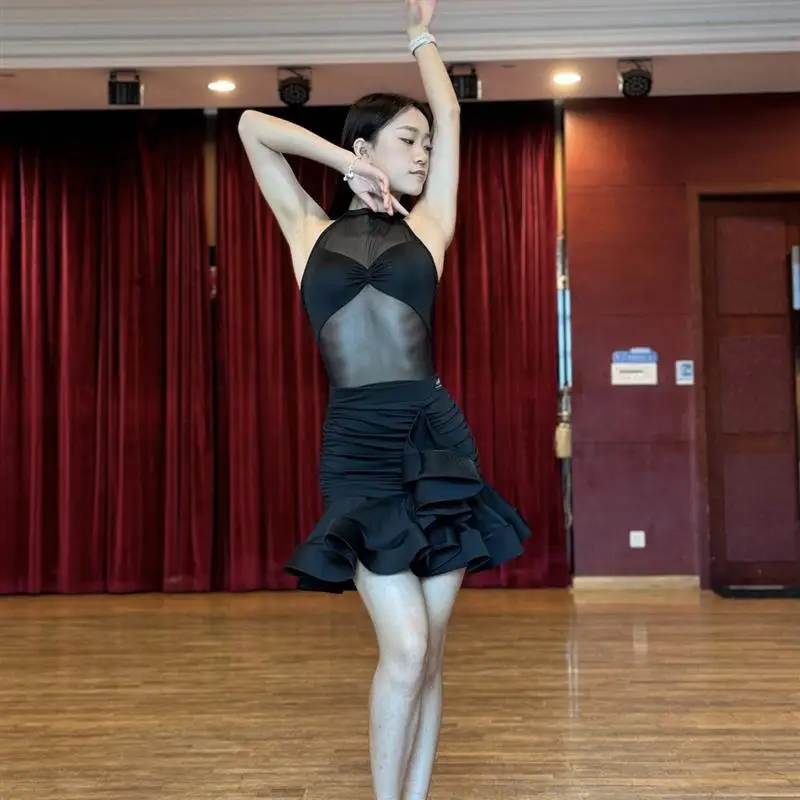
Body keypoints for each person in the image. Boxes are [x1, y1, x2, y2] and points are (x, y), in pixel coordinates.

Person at [237, 2, 531, 797]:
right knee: (402, 647)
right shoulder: (304, 228)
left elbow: (449, 108)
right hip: (358, 447)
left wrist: (420, 36)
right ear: (366, 149)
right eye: (407, 142)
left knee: (429, 650)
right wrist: (346, 160)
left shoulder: (433, 223)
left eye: (426, 146)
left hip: (434, 439)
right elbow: (253, 128)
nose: (425, 153)